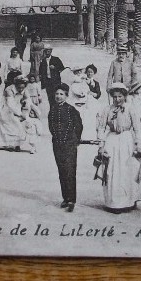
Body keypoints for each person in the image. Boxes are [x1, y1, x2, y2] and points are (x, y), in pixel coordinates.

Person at [97, 82, 141, 213]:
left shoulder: (130, 109)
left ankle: (129, 201)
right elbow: (101, 127)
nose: (117, 99)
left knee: (127, 170)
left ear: (125, 96)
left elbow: (137, 128)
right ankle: (113, 202)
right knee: (112, 170)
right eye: (115, 97)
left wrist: (138, 144)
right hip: (112, 140)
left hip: (126, 140)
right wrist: (101, 144)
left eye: (120, 96)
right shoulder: (107, 109)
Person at [48, 82, 83, 212]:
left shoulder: (71, 110)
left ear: (66, 96)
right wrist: (56, 138)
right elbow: (51, 126)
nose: (58, 96)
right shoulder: (52, 109)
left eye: (61, 94)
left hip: (70, 145)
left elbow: (79, 126)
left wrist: (75, 140)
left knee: (70, 171)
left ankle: (72, 200)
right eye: (57, 94)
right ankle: (65, 198)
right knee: (61, 171)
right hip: (57, 145)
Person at [0, 74, 40, 153]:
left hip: (17, 107)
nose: (21, 89)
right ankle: (9, 145)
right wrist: (20, 114)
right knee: (8, 127)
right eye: (19, 87)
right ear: (15, 85)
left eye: (22, 87)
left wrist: (32, 110)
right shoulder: (9, 89)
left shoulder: (25, 90)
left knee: (18, 126)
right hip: (6, 109)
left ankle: (17, 144)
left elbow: (28, 101)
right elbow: (10, 104)